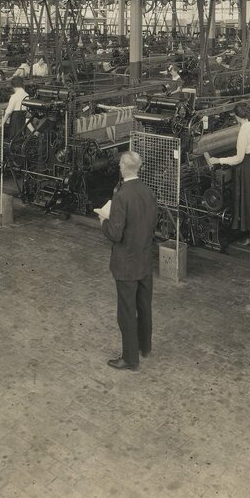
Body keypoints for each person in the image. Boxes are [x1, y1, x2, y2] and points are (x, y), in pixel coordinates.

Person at [97, 151, 158, 371]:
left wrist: (104, 221)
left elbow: (115, 234)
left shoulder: (122, 196)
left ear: (123, 167)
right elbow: (152, 223)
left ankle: (130, 359)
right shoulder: (148, 192)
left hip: (126, 264)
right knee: (144, 306)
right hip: (144, 260)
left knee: (126, 311)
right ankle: (145, 347)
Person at [206, 103, 250, 246]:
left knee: (244, 199)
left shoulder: (243, 131)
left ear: (236, 117)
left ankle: (247, 234)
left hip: (244, 167)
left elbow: (239, 158)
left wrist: (219, 159)